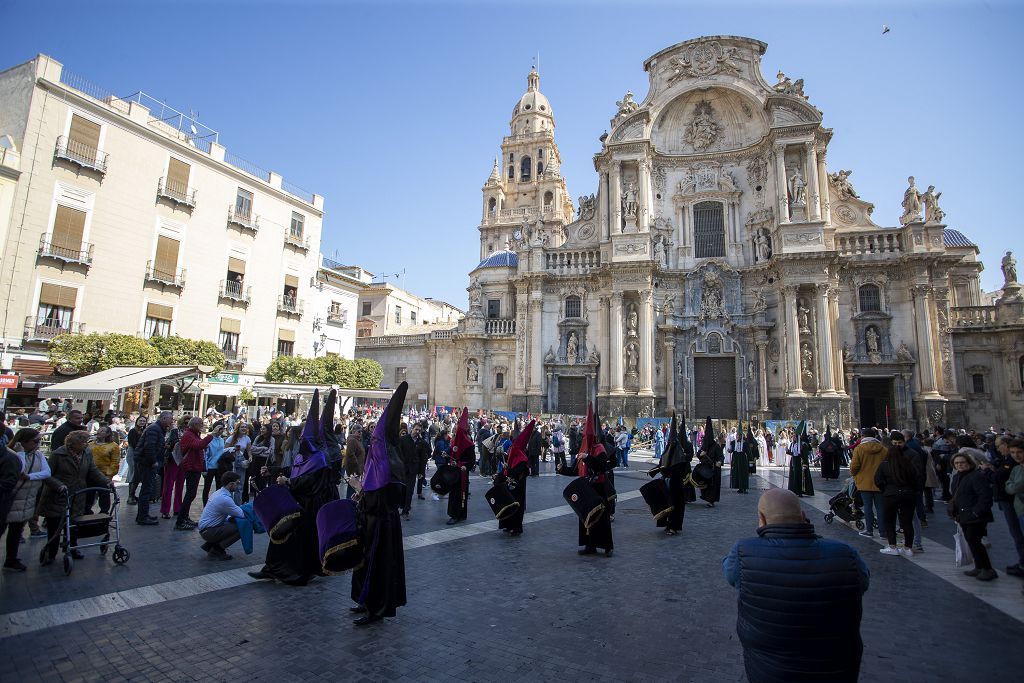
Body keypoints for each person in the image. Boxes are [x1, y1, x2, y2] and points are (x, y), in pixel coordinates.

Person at [723, 489, 869, 683]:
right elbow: (863, 583)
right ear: (803, 516)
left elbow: (730, 574)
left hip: (769, 668)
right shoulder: (846, 554)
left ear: (762, 519)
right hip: (834, 667)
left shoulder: (744, 551)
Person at [249, 389, 340, 586]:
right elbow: (293, 469)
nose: (301, 442)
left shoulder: (320, 459)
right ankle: (272, 568)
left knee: (299, 542)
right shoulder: (303, 455)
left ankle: (296, 572)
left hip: (308, 506)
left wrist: (288, 482)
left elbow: (309, 482)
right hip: (295, 501)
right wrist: (273, 471)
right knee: (279, 535)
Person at [350, 382, 408, 626]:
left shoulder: (387, 465)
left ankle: (375, 608)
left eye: (374, 440)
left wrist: (359, 489)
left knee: (378, 567)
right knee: (367, 566)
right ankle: (365, 600)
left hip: (381, 526)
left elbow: (381, 499)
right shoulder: (385, 461)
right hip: (375, 523)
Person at [37, 430, 112, 564]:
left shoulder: (87, 453)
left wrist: (105, 481)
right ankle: (51, 552)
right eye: (83, 442)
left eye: (86, 442)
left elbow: (92, 470)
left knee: (73, 523)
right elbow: (47, 475)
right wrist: (59, 485)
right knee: (55, 525)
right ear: (73, 444)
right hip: (59, 495)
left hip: (78, 494)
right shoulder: (58, 454)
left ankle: (72, 548)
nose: (86, 445)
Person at [556, 402, 614, 556]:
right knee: (584, 517)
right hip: (585, 488)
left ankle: (607, 545)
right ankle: (590, 545)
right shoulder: (583, 450)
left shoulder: (599, 449)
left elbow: (601, 466)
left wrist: (588, 457)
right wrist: (563, 470)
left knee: (601, 517)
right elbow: (576, 471)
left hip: (598, 488)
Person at [3, 429, 50, 571]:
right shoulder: (11, 454)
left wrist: (30, 477)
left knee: (16, 531)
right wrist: (21, 453)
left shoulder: (38, 455)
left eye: (39, 441)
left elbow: (46, 472)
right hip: (10, 499)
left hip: (26, 499)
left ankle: (11, 559)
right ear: (22, 442)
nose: (38, 444)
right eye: (35, 441)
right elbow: (20, 470)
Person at [874, 431, 923, 557]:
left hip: (891, 495)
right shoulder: (908, 464)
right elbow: (917, 477)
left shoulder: (885, 464)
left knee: (890, 521)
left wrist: (886, 490)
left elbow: (878, 480)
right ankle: (908, 548)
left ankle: (892, 546)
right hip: (908, 494)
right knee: (907, 521)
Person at [949, 451, 997, 581]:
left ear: (969, 463)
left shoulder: (976, 476)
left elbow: (985, 496)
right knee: (971, 541)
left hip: (975, 515)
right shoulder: (957, 477)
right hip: (963, 515)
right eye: (957, 463)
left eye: (962, 462)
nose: (960, 465)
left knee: (975, 541)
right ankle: (979, 566)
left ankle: (988, 569)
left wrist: (976, 512)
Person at [178, 417, 222, 531]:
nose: (202, 425)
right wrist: (212, 434)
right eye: (200, 424)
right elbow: (199, 445)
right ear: (194, 425)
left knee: (191, 494)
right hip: (191, 467)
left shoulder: (193, 434)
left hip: (195, 466)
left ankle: (185, 517)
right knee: (190, 494)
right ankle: (180, 520)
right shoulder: (189, 435)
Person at [495, 420, 532, 536]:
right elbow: (508, 469)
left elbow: (518, 472)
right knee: (507, 504)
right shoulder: (513, 453)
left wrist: (508, 470)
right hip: (509, 484)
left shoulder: (522, 458)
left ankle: (516, 527)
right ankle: (507, 524)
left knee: (516, 506)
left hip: (518, 487)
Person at [197, 471, 244, 560]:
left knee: (231, 522)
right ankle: (217, 550)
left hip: (206, 528)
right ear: (231, 484)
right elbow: (241, 514)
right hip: (208, 531)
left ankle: (210, 545)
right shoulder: (224, 498)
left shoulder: (219, 492)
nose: (238, 486)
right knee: (242, 527)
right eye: (237, 483)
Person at [136, 411, 172, 525]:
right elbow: (149, 446)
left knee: (148, 489)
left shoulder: (157, 429)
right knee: (146, 490)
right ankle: (142, 516)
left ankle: (144, 514)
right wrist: (153, 461)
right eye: (170, 419)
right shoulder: (154, 429)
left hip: (148, 462)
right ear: (163, 418)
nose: (172, 421)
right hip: (147, 463)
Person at [850, 428, 887, 538]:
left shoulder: (859, 449)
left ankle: (869, 530)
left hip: (864, 482)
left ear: (863, 436)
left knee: (867, 507)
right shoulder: (884, 449)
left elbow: (854, 466)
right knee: (880, 508)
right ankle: (883, 532)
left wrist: (855, 475)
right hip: (880, 483)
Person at [446, 408, 474, 525]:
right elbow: (451, 455)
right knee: (454, 493)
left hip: (462, 472)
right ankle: (457, 513)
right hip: (454, 471)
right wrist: (446, 456)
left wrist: (466, 467)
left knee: (460, 493)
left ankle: (458, 514)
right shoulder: (454, 443)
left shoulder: (469, 444)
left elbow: (472, 460)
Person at [90, 426, 120, 515]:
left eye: (102, 431)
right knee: (89, 494)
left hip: (104, 475)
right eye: (99, 430)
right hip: (90, 474)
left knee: (104, 494)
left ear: (107, 434)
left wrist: (109, 475)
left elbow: (115, 462)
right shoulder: (90, 444)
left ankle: (104, 513)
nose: (99, 432)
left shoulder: (113, 446)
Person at [698, 417, 724, 508]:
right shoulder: (704, 445)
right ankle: (706, 497)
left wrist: (720, 462)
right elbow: (698, 454)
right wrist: (701, 454)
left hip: (713, 469)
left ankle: (711, 500)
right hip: (705, 469)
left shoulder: (716, 446)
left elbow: (721, 456)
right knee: (705, 485)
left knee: (713, 486)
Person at [202, 421, 228, 505]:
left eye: (222, 428)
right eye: (220, 428)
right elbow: (205, 454)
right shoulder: (209, 439)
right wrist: (204, 468)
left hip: (219, 466)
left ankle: (217, 504)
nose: (221, 430)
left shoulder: (221, 440)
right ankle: (205, 505)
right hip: (210, 467)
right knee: (207, 487)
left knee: (219, 486)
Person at [125, 416, 147, 505]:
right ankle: (130, 496)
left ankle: (133, 495)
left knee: (137, 476)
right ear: (137, 421)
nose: (142, 422)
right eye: (140, 420)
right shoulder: (133, 431)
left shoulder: (143, 431)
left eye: (144, 421)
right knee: (133, 474)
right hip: (133, 454)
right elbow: (133, 443)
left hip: (140, 455)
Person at [787, 431, 815, 497]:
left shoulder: (803, 444)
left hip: (801, 462)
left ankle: (800, 491)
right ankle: (794, 490)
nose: (793, 438)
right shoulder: (792, 444)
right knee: (794, 476)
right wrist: (787, 451)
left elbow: (805, 455)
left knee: (801, 477)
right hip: (794, 462)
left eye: (794, 437)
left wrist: (805, 464)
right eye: (793, 437)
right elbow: (792, 453)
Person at [730, 422, 751, 494]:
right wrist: (730, 450)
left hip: (742, 460)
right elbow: (732, 449)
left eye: (739, 435)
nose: (737, 437)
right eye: (737, 435)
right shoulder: (733, 442)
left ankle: (744, 488)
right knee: (737, 473)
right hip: (736, 459)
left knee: (743, 473)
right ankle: (739, 487)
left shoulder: (745, 443)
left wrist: (751, 460)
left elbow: (748, 452)